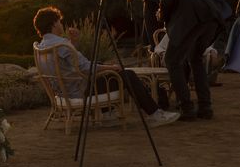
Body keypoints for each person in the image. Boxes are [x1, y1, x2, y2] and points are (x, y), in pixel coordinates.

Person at [33, 7, 179, 127]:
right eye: (59, 21)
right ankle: (154, 114)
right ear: (53, 24)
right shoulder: (62, 45)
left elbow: (68, 64)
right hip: (81, 91)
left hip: (64, 92)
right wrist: (112, 68)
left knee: (107, 72)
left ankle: (107, 114)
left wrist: (74, 41)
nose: (61, 24)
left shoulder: (42, 46)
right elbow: (86, 68)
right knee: (127, 75)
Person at [152, 0, 222, 120]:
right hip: (209, 19)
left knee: (171, 61)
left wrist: (161, 15)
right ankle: (205, 107)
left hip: (191, 22)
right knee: (195, 59)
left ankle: (187, 107)